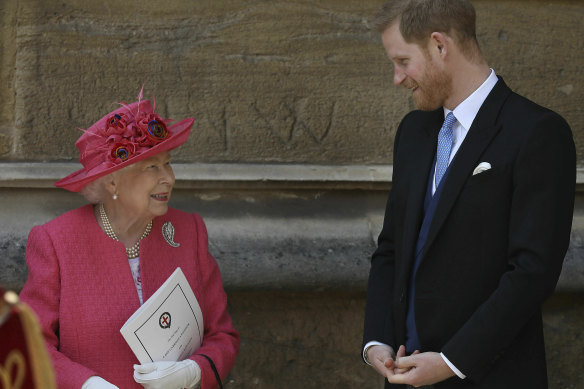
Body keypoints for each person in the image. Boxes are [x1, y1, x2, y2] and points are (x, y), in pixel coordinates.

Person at [362, 1, 575, 388]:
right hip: (405, 375)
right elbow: (391, 247)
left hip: (492, 377)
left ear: (440, 46)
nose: (397, 77)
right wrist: (377, 340)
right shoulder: (413, 132)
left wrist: (450, 361)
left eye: (403, 61)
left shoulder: (537, 133)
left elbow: (533, 273)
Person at [19, 89, 240, 389]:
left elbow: (222, 336)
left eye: (168, 163)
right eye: (152, 167)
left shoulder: (189, 232)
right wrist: (87, 385)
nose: (169, 178)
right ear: (112, 181)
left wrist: (192, 371)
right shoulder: (57, 242)